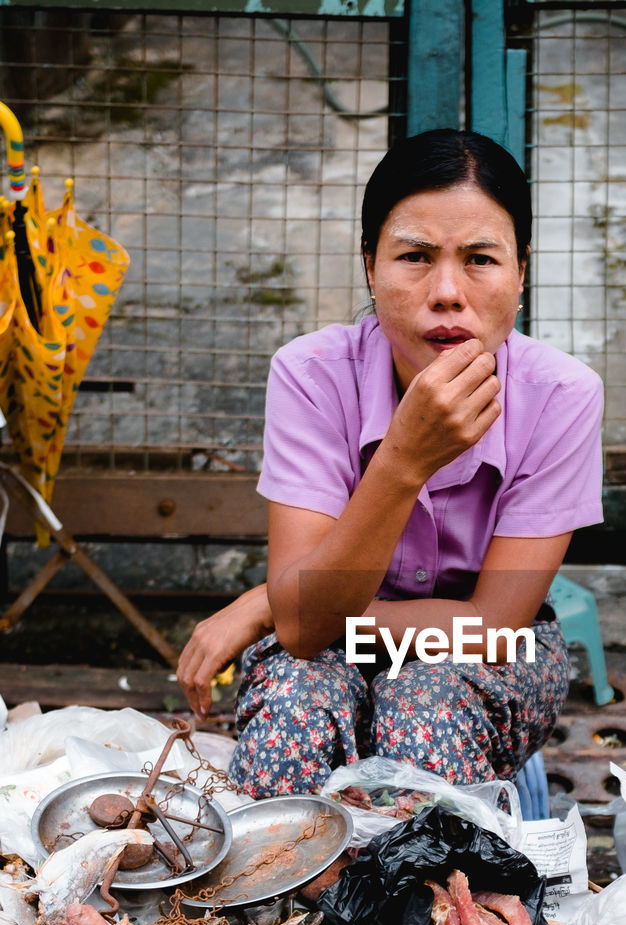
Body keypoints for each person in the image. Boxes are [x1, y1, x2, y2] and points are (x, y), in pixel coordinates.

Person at [177, 129, 603, 798]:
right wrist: (402, 462)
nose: (446, 292)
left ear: (521, 271)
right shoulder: (310, 374)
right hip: (327, 634)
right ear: (370, 265)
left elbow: (492, 626)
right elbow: (307, 634)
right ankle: (289, 896)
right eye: (414, 256)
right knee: (295, 696)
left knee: (422, 699)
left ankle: (445, 896)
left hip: (479, 651)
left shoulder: (561, 396)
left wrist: (268, 602)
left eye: (480, 260)